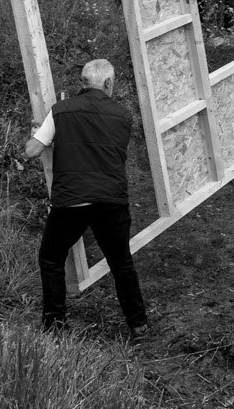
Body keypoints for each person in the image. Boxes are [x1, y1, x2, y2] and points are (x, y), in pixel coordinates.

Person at [24, 59, 148, 340]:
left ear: (82, 82)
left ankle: (55, 326)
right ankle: (138, 324)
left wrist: (41, 132)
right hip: (111, 200)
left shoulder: (61, 111)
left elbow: (32, 150)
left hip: (72, 202)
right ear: (107, 83)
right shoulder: (123, 116)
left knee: (51, 259)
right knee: (121, 263)